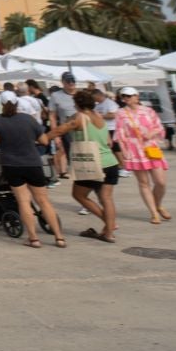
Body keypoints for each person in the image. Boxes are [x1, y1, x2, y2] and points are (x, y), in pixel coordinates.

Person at [0, 94, 65, 248]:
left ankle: (34, 239)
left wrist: (4, 138)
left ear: (1, 104)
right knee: (43, 201)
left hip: (11, 164)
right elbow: (44, 141)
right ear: (17, 103)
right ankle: (59, 237)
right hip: (32, 163)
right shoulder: (28, 118)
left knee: (23, 201)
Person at [47, 88, 117, 242]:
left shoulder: (80, 117)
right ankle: (109, 233)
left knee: (78, 195)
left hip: (93, 164)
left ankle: (109, 224)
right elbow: (108, 141)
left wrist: (43, 138)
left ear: (77, 104)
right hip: (111, 163)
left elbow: (60, 130)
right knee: (107, 198)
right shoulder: (99, 116)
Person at [112, 87, 171, 222]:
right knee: (144, 183)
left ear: (137, 96)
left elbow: (159, 127)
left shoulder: (148, 111)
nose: (126, 98)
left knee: (161, 182)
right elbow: (120, 134)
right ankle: (153, 213)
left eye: (129, 95)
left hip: (151, 147)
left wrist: (151, 133)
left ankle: (158, 205)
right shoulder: (121, 113)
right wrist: (124, 152)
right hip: (134, 149)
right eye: (123, 96)